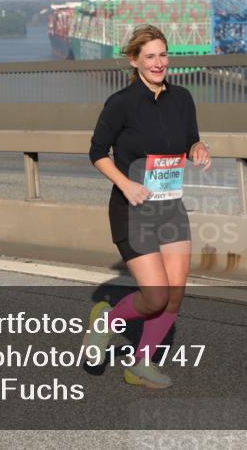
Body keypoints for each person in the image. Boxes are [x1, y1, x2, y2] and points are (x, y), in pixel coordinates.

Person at [84, 25, 211, 389]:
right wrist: (126, 183)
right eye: (150, 56)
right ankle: (107, 322)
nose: (159, 63)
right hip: (132, 208)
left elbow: (189, 140)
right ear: (134, 60)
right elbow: (96, 153)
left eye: (163, 55)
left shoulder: (183, 98)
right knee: (154, 297)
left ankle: (139, 365)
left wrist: (198, 149)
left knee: (173, 295)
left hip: (170, 207)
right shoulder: (121, 103)